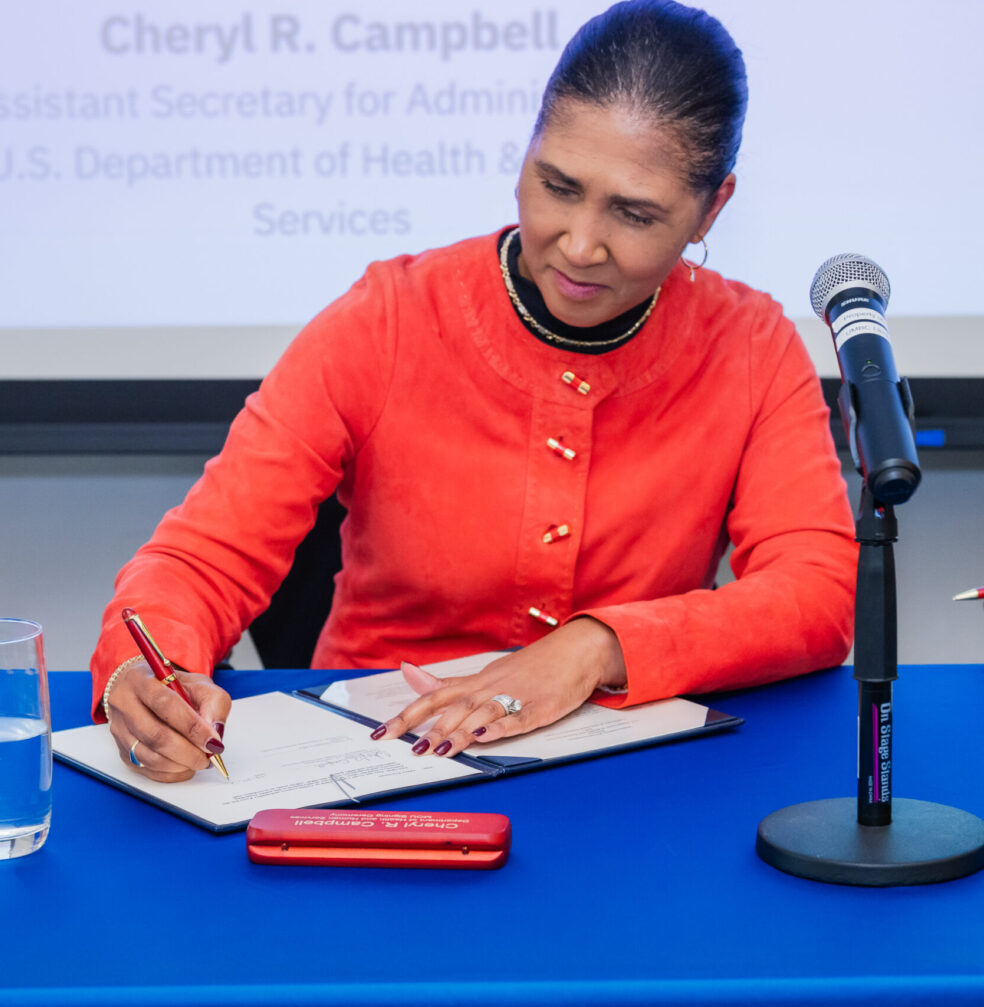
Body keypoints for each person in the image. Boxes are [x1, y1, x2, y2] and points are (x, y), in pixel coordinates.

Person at [91, 0, 857, 782]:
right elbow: (198, 561)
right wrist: (144, 669)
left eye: (633, 213)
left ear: (712, 207)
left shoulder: (750, 344)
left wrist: (597, 647)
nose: (581, 243)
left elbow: (816, 594)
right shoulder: (389, 318)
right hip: (372, 765)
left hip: (630, 778)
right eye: (557, 185)